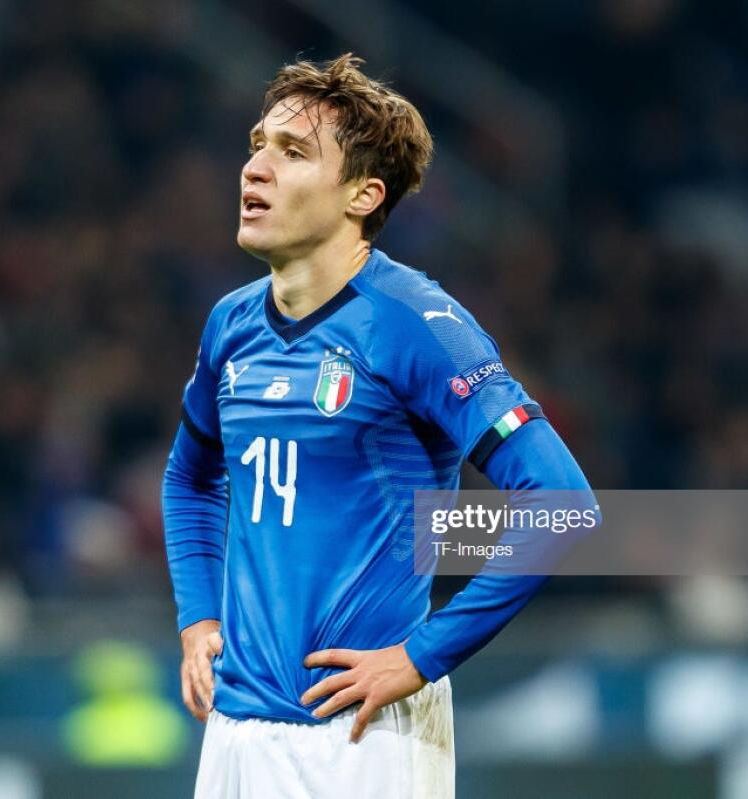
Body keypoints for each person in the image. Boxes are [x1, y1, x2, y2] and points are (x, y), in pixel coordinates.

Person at [161, 53, 595, 798]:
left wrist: (422, 656)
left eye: (292, 153)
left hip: (360, 736)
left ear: (363, 194)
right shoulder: (230, 326)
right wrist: (199, 616)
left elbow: (560, 502)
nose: (255, 169)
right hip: (235, 729)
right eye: (257, 144)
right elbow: (191, 478)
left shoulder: (417, 325)